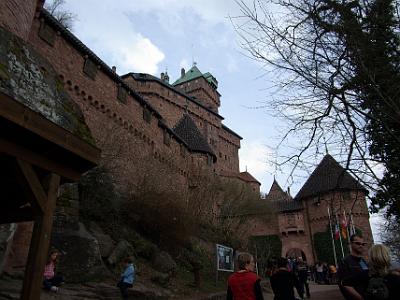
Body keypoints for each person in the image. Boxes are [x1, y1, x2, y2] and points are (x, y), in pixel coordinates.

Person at [337, 233, 369, 300]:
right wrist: (360, 298)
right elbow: (343, 284)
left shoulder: (363, 261)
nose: (361, 245)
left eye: (363, 244)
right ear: (351, 244)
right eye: (357, 243)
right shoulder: (345, 261)